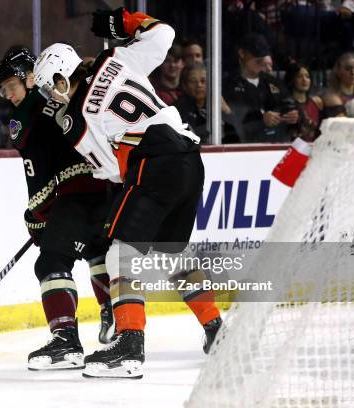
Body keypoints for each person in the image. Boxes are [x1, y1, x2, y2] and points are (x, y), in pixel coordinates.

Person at [33, 8, 222, 379]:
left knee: (121, 253)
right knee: (174, 252)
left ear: (59, 77)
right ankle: (216, 330)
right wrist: (124, 21)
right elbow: (164, 34)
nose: (49, 96)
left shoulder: (75, 118)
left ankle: (129, 346)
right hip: (189, 157)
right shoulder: (115, 59)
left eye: (46, 88)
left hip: (154, 164)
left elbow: (110, 168)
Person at [0, 47, 115, 370]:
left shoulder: (25, 117)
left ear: (30, 78)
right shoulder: (68, 89)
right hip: (110, 185)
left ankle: (66, 341)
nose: (8, 95)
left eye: (11, 85)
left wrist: (36, 216)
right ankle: (114, 316)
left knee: (50, 260)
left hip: (79, 194)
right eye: (3, 89)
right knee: (98, 250)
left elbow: (40, 174)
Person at [223, 32, 298, 142]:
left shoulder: (272, 81)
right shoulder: (228, 84)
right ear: (242, 53)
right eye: (255, 54)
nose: (260, 58)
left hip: (275, 143)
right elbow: (233, 117)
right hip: (242, 147)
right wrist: (261, 119)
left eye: (262, 54)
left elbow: (287, 104)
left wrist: (293, 115)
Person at [175, 63, 239, 143]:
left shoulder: (220, 104)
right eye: (193, 81)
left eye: (203, 80)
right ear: (185, 85)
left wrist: (226, 110)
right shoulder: (177, 109)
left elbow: (238, 137)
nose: (199, 85)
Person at [283, 63, 323, 142]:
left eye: (307, 77)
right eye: (299, 76)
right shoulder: (286, 104)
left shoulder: (317, 102)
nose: (304, 80)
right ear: (292, 79)